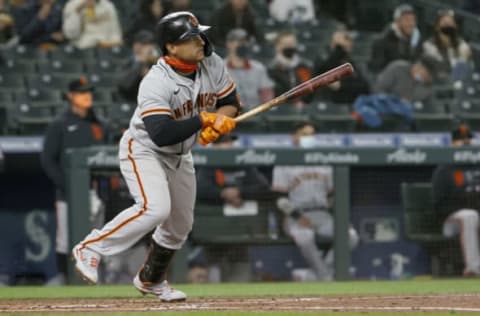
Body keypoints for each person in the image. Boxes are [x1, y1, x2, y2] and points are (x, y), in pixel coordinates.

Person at [71, 11, 239, 301]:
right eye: (191, 37)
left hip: (181, 154)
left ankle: (151, 279)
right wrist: (204, 120)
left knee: (180, 226)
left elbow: (229, 102)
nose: (200, 41)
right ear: (171, 46)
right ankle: (91, 247)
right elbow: (160, 132)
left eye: (200, 34)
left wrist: (221, 121)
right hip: (146, 149)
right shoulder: (155, 81)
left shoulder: (212, 62)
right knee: (155, 208)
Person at [41, 76, 109, 285]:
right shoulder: (60, 124)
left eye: (89, 92)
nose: (87, 96)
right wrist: (67, 185)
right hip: (68, 194)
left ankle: (97, 281)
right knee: (65, 240)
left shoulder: (99, 123)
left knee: (98, 240)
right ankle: (65, 279)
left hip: (95, 192)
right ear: (70, 96)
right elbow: (47, 159)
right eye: (81, 92)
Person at [272, 121, 359, 281]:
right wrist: (298, 217)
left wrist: (342, 220)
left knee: (350, 236)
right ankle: (326, 277)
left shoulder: (324, 161)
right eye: (304, 134)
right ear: (294, 137)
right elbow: (279, 199)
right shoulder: (284, 161)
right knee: (305, 237)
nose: (309, 138)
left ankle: (319, 275)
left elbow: (333, 196)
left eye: (312, 135)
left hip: (322, 213)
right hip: (296, 215)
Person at [196, 133, 272, 282]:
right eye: (224, 142)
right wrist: (222, 193)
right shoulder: (207, 166)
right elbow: (200, 189)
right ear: (215, 146)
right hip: (214, 224)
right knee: (214, 265)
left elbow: (263, 187)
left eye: (230, 142)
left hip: (241, 225)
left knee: (240, 265)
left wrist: (240, 192)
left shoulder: (242, 163)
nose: (229, 145)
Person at [432, 124, 480, 277]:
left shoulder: (477, 166)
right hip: (451, 221)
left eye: (468, 139)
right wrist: (465, 199)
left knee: (472, 215)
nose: (466, 142)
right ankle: (473, 268)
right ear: (452, 143)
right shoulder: (445, 169)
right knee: (469, 215)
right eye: (461, 140)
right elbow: (439, 205)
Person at [313, 29, 370, 104]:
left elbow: (364, 85)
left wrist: (343, 85)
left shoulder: (349, 61)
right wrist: (338, 49)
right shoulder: (323, 59)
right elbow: (330, 84)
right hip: (330, 104)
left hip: (351, 102)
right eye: (346, 39)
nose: (349, 43)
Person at [225, 28, 274, 110]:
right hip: (229, 116)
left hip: (255, 116)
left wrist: (266, 111)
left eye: (245, 42)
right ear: (229, 44)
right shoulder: (219, 68)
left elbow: (267, 95)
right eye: (240, 42)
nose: (243, 45)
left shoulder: (258, 68)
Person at [368, 4, 422, 73]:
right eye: (407, 20)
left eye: (413, 20)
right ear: (397, 21)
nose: (411, 23)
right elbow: (376, 71)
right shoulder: (381, 42)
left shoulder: (417, 40)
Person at [422, 9, 473, 82]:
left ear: (455, 26)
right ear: (437, 26)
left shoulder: (462, 44)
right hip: (438, 84)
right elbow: (440, 69)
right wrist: (461, 61)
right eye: (444, 22)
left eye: (450, 22)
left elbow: (467, 70)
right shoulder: (429, 45)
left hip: (460, 84)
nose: (448, 25)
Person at [268, 31, 313, 107]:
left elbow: (309, 87)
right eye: (286, 44)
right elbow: (275, 92)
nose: (289, 47)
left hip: (304, 107)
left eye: (292, 44)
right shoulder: (271, 68)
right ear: (277, 46)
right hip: (281, 108)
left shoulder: (304, 66)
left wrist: (302, 102)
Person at [117, 30, 160, 102]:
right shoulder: (128, 62)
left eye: (147, 44)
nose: (145, 48)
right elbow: (125, 84)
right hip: (130, 101)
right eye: (143, 44)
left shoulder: (157, 62)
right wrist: (141, 63)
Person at [373, 55, 437, 103]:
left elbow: (430, 106)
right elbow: (378, 89)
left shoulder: (427, 85)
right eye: (423, 75)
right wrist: (395, 101)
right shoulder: (397, 68)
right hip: (387, 108)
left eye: (426, 77)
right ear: (418, 66)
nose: (423, 78)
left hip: (412, 114)